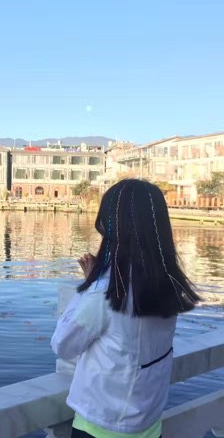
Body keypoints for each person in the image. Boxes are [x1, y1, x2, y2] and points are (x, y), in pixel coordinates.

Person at [51, 179, 199, 438]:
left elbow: (63, 345)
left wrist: (90, 284)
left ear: (112, 229)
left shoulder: (105, 292)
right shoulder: (169, 284)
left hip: (100, 425)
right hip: (149, 422)